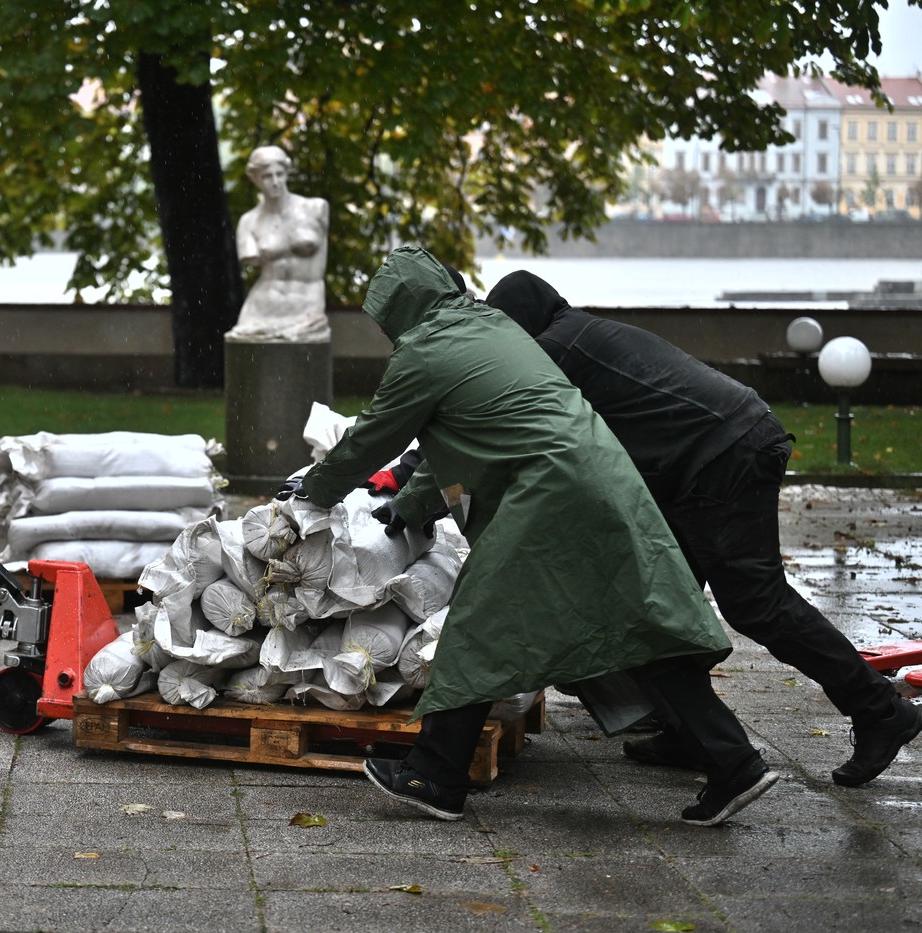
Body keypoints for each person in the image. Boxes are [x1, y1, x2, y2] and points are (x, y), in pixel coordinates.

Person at [278, 246, 777, 827]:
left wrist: (311, 491)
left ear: (396, 309)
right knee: (638, 624)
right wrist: (413, 506)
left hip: (547, 499)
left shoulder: (423, 353)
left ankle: (434, 775)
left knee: (476, 622)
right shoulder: (491, 328)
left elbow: (366, 443)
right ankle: (735, 763)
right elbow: (468, 436)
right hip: (604, 482)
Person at [485, 269, 921, 787]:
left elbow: (502, 421)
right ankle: (690, 731)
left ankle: (881, 712)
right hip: (718, 451)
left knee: (757, 603)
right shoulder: (582, 331)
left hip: (722, 457)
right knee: (659, 604)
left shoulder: (554, 349)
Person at [227, 146, 330, 342]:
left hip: (307, 303)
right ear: (255, 178)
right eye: (267, 176)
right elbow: (249, 258)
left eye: (279, 174)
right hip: (263, 306)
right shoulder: (249, 222)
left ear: (287, 173)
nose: (275, 182)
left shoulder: (315, 209)